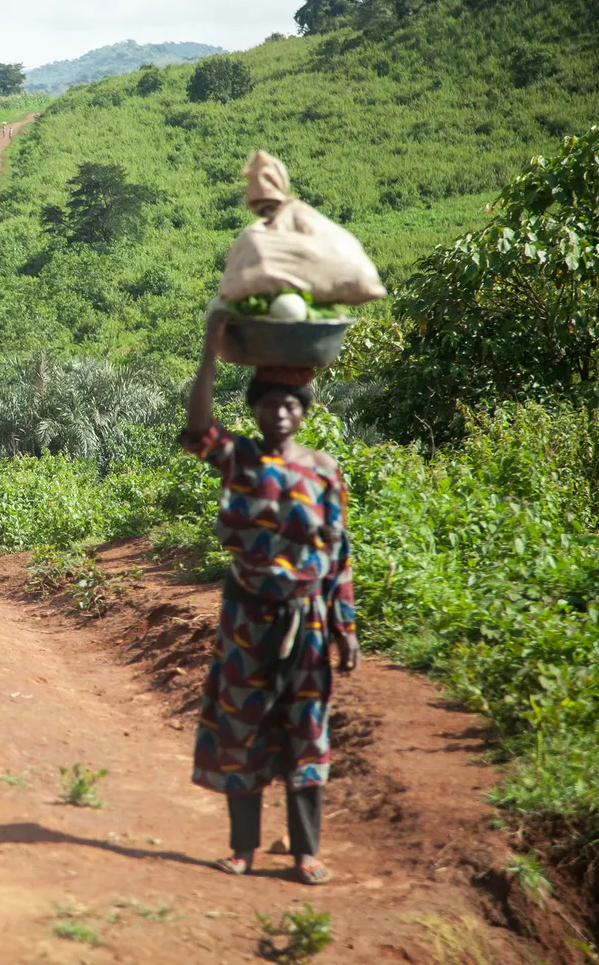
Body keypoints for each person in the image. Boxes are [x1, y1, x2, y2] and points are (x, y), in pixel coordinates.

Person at [180, 311, 359, 885]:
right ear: (255, 409)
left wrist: (345, 627)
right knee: (241, 725)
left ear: (304, 412)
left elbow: (338, 554)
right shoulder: (239, 459)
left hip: (307, 620)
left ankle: (306, 852)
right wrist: (210, 349)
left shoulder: (325, 472)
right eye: (269, 403)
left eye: (291, 404)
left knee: (306, 727)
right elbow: (198, 424)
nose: (280, 412)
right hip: (245, 617)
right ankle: (242, 849)